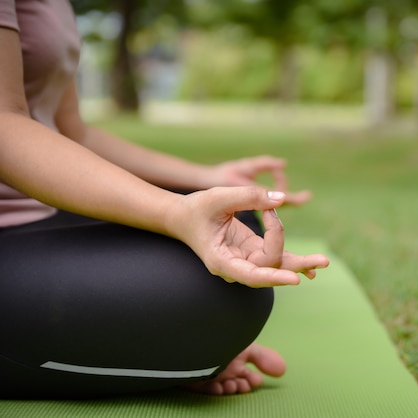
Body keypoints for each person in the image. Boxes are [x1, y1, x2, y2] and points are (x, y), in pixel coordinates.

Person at [0, 0, 329, 399]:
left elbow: (72, 133)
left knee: (236, 224)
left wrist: (207, 181)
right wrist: (175, 212)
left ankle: (165, 344)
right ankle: (172, 343)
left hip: (37, 215)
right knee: (211, 297)